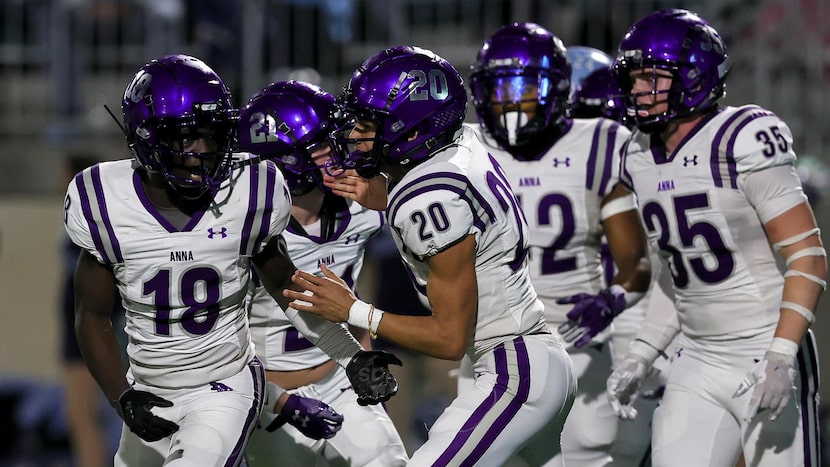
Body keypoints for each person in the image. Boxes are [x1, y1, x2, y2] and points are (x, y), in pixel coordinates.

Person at [63, 54, 401, 467]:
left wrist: (352, 356)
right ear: (146, 137)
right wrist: (121, 395)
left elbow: (288, 288)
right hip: (149, 387)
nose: (203, 151)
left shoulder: (251, 189)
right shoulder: (104, 201)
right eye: (188, 138)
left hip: (224, 386)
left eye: (214, 135)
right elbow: (92, 315)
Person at [284, 45, 577, 466]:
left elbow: (449, 339)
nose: (354, 135)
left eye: (368, 124)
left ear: (411, 128)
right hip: (536, 359)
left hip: (514, 373)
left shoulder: (428, 199)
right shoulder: (462, 142)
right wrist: (383, 195)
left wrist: (354, 310)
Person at [605, 9, 824, 467]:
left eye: (651, 78)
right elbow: (675, 275)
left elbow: (808, 257)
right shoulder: (637, 155)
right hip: (698, 356)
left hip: (764, 346)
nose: (638, 90)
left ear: (693, 77)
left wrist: (782, 355)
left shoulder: (740, 137)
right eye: (634, 79)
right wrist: (642, 356)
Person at [467, 23, 651, 467]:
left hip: (576, 344)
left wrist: (612, 299)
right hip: (491, 346)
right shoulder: (467, 146)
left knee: (593, 453)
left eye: (523, 88)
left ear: (557, 89)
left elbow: (634, 260)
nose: (510, 102)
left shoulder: (600, 143)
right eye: (500, 88)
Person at [236, 80, 408, 466]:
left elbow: (352, 294)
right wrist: (271, 399)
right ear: (285, 159)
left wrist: (363, 358)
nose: (340, 148)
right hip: (268, 397)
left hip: (340, 379)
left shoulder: (365, 206)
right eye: (322, 145)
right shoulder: (242, 229)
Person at [60, 153, 125, 467]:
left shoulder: (93, 227)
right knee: (82, 413)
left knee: (83, 413)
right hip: (75, 325)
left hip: (87, 330)